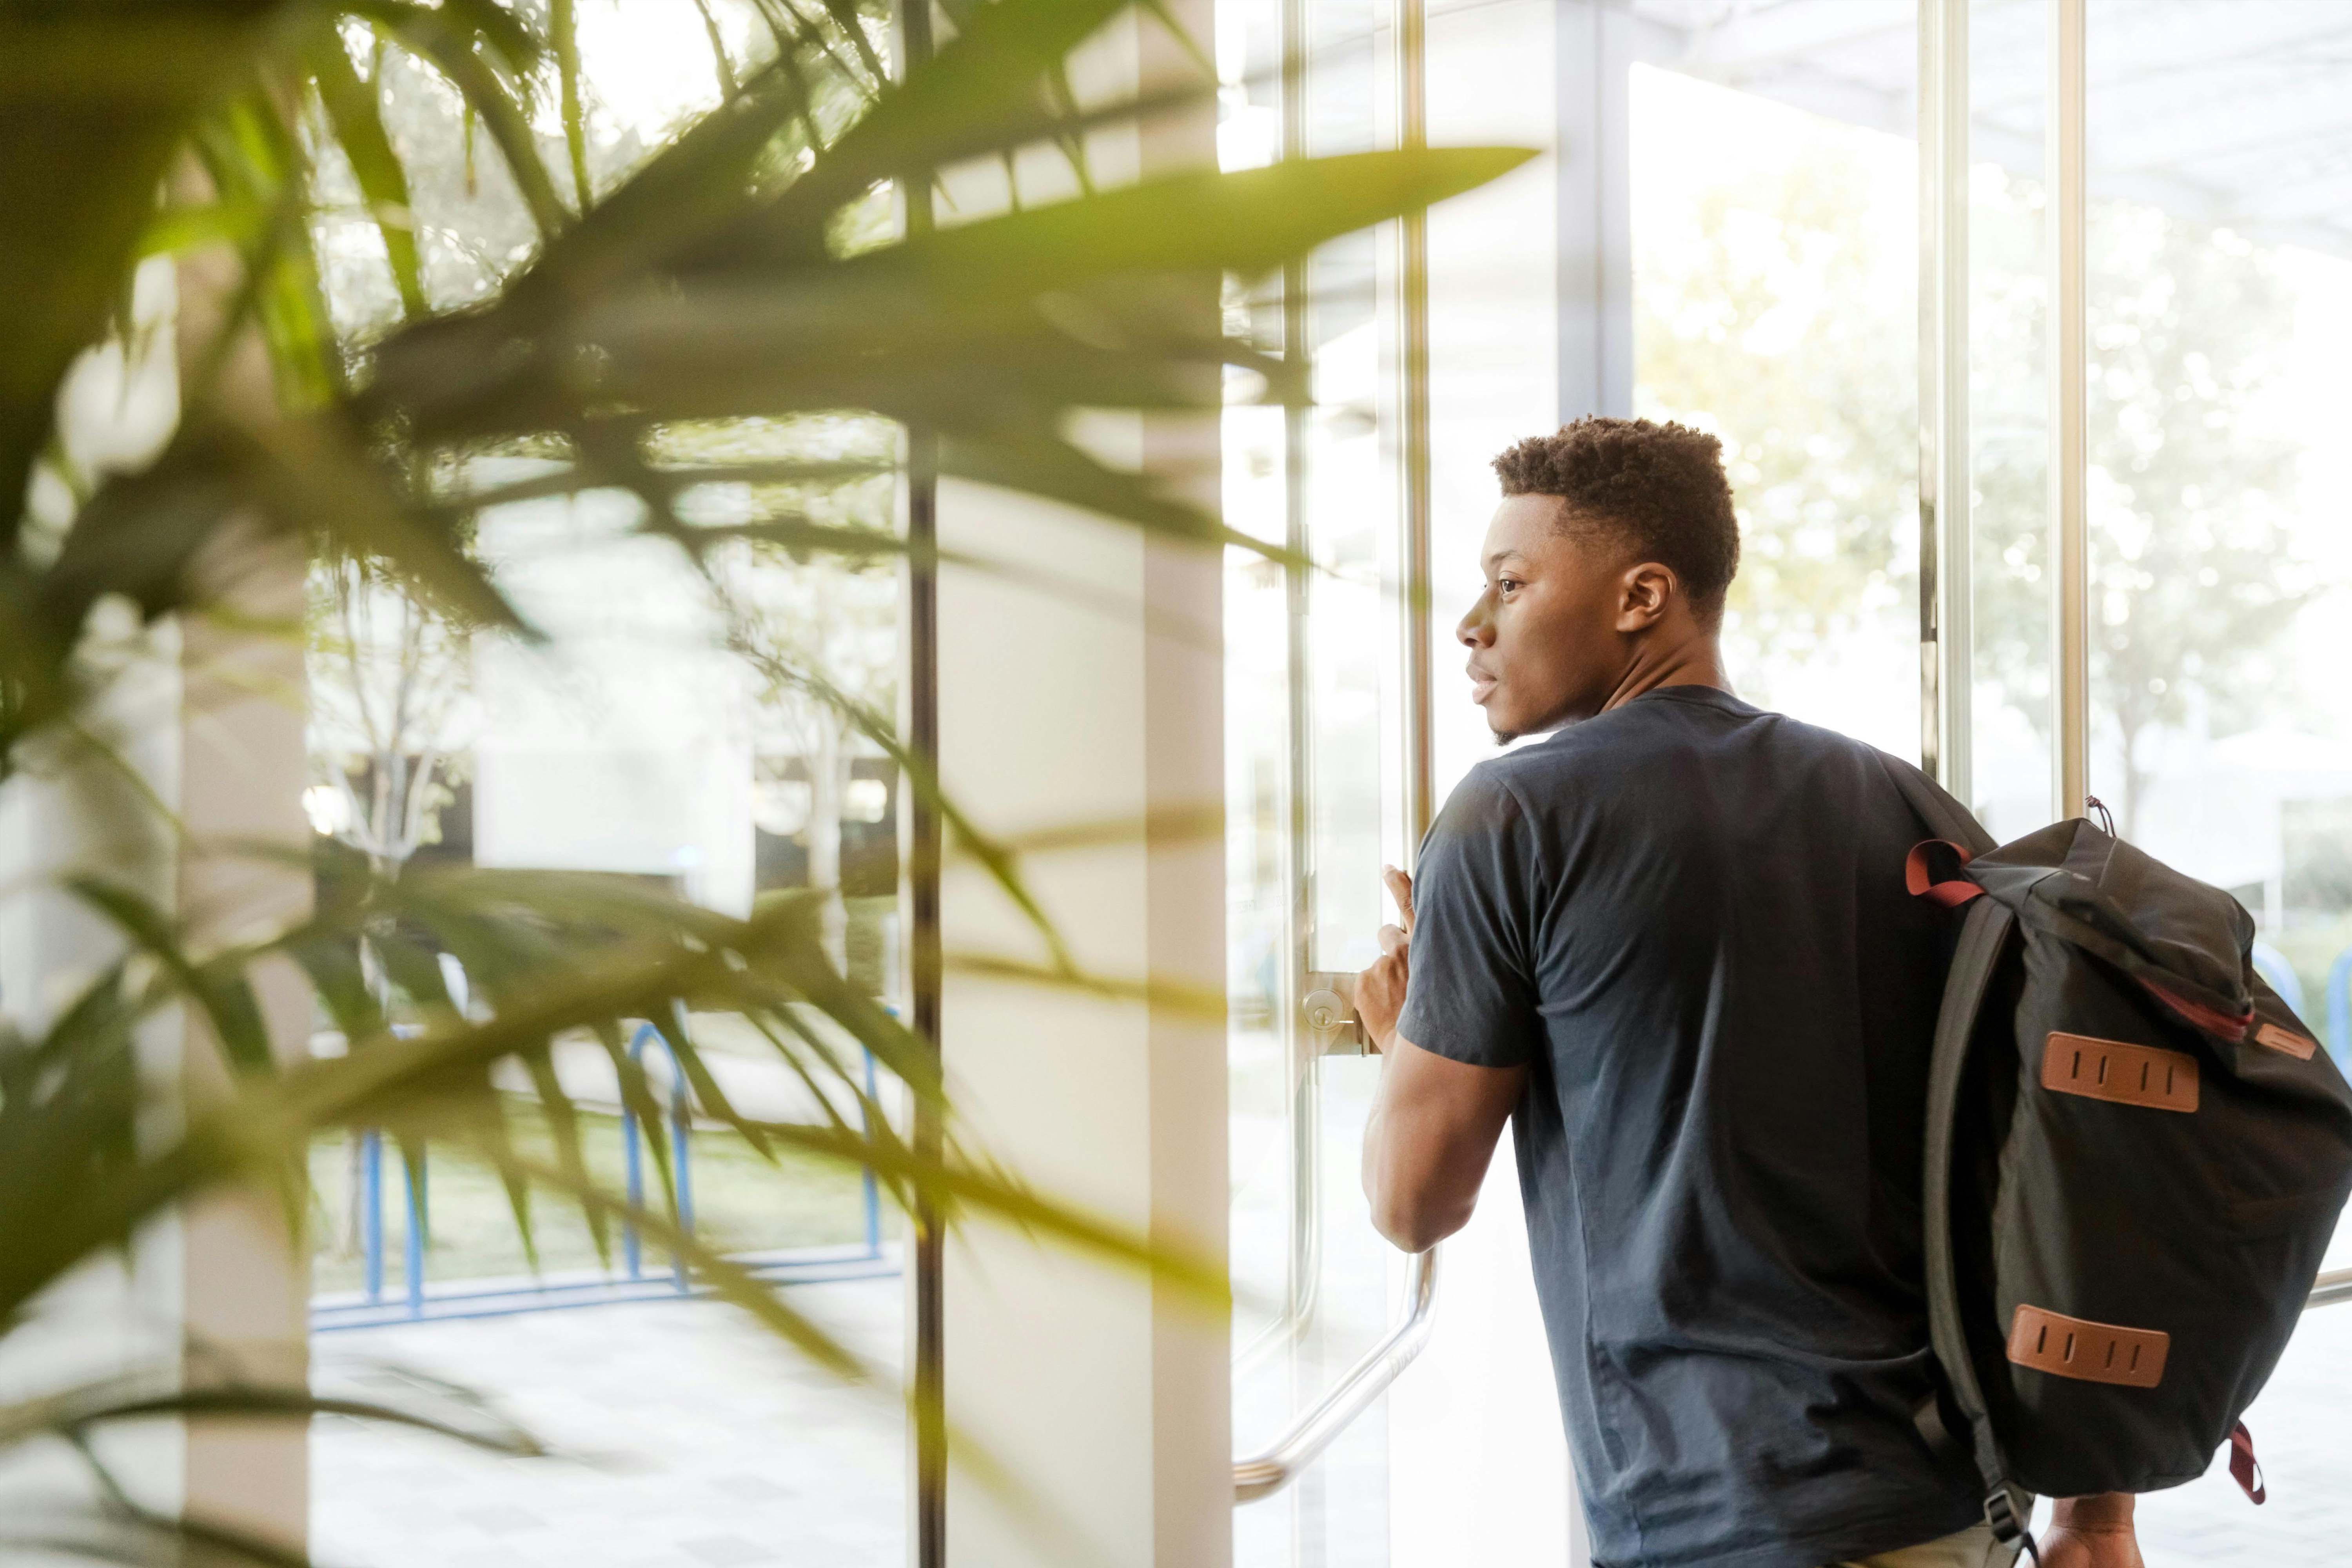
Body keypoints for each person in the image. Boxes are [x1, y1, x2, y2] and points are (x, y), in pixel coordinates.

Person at [1350, 417, 2142, 1568]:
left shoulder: (1512, 818)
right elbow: (2050, 1155)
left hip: (1723, 1517)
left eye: (1510, 584)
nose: (1472, 626)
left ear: (1643, 597)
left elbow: (1410, 1204)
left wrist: (1403, 1034)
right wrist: (2098, 1515)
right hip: (1952, 1501)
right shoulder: (1909, 808)